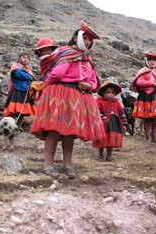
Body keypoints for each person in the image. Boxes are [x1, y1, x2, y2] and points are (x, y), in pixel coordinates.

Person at [31, 20, 105, 178]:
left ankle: (67, 165)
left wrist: (89, 86)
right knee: (54, 130)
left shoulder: (86, 59)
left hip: (78, 97)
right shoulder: (66, 53)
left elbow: (93, 81)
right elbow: (55, 74)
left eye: (89, 40)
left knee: (69, 132)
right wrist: (51, 91)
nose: (88, 42)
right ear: (75, 37)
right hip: (61, 94)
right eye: (85, 38)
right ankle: (48, 164)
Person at [130, 51, 156, 143]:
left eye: (154, 60)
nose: (152, 62)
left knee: (155, 119)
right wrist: (153, 83)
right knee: (147, 118)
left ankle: (154, 138)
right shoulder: (143, 71)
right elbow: (139, 82)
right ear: (146, 60)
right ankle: (148, 138)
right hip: (146, 97)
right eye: (150, 60)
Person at [93, 81, 127, 161]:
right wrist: (101, 118)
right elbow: (96, 112)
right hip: (103, 124)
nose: (110, 94)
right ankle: (100, 154)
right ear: (103, 93)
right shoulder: (99, 101)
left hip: (114, 123)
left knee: (111, 139)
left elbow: (121, 112)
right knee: (101, 139)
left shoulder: (116, 102)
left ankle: (109, 155)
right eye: (108, 92)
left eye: (112, 93)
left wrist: (124, 121)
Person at [3, 53, 36, 129]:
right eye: (23, 57)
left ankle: (19, 125)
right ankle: (9, 125)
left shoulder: (27, 69)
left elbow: (30, 77)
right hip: (18, 91)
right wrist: (29, 76)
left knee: (22, 111)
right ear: (19, 59)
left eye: (27, 58)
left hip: (26, 92)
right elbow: (21, 75)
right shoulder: (15, 68)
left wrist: (29, 76)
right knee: (14, 110)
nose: (25, 59)